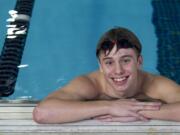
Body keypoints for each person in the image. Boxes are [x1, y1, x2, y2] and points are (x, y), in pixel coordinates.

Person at [33, 27, 180, 124]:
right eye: (109, 62)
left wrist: (134, 109)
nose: (118, 71)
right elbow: (42, 113)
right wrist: (110, 107)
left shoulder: (155, 84)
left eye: (126, 60)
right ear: (100, 66)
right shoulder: (90, 84)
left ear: (139, 62)